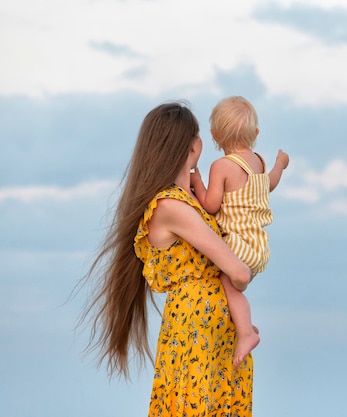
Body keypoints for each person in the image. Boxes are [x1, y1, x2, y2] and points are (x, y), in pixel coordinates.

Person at [81, 102, 254, 416]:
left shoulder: (186, 201)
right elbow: (239, 273)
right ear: (193, 145)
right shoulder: (172, 206)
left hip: (207, 326)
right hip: (199, 328)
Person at [190, 96, 289, 369]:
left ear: (213, 135)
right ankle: (242, 324)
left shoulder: (221, 166)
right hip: (257, 246)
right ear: (256, 134)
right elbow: (269, 184)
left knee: (227, 283)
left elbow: (210, 205)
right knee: (233, 290)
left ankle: (245, 333)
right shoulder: (258, 162)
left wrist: (196, 179)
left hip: (236, 244)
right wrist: (280, 163)